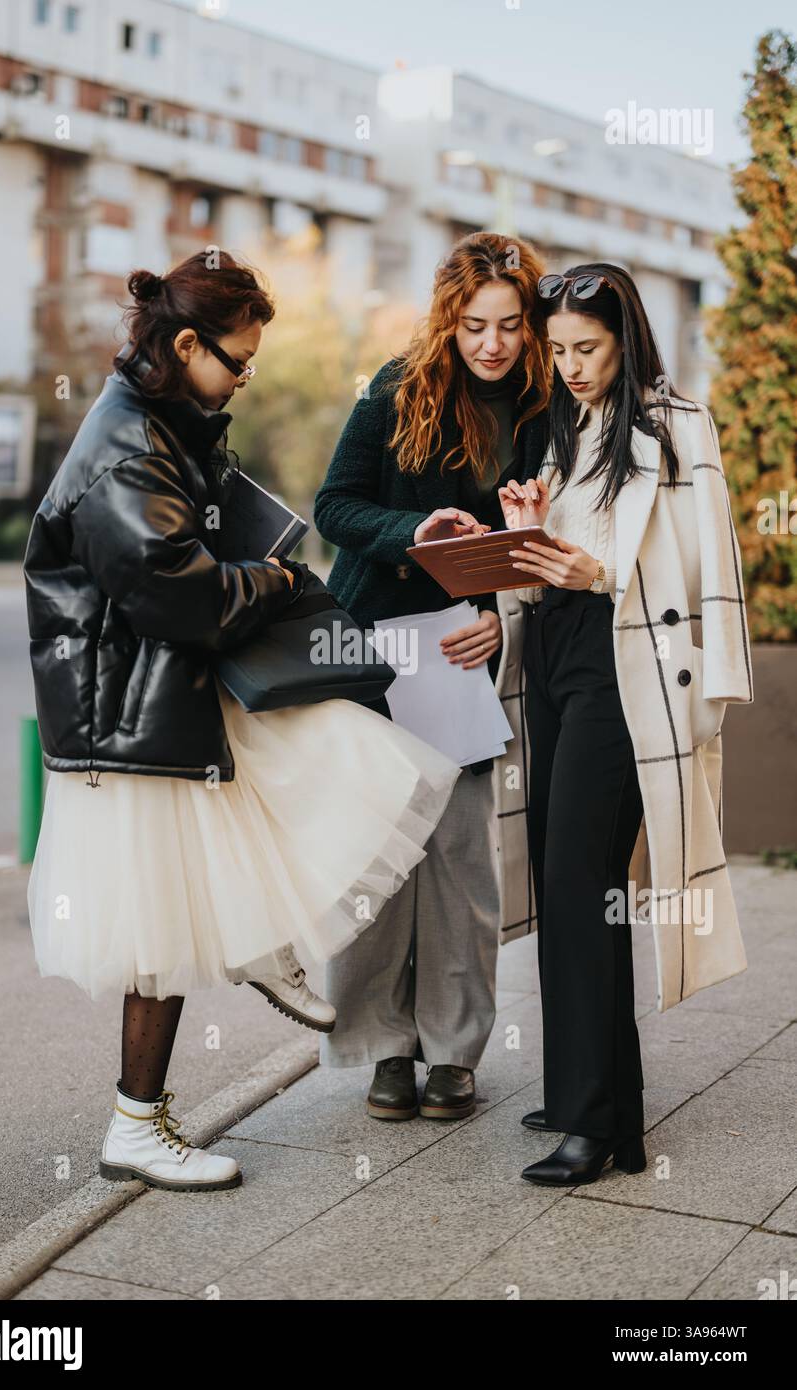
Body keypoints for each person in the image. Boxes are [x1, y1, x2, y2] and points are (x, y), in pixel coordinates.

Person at [23, 250, 460, 1193]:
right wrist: (276, 579)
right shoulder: (127, 448)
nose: (245, 378)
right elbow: (182, 599)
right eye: (239, 359)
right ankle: (141, 1122)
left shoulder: (158, 424)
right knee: (159, 928)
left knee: (312, 768)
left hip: (151, 701)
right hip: (126, 719)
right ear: (186, 344)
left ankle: (244, 978)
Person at [499, 263, 754, 1186]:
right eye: (557, 348)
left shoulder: (675, 423)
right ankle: (578, 1093)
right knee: (558, 876)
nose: (568, 365)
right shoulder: (561, 421)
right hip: (557, 656)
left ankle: (607, 1123)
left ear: (626, 338)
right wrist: (528, 531)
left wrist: (590, 572)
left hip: (628, 666)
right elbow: (562, 554)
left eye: (587, 348)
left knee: (585, 877)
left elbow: (700, 562)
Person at [313, 230, 550, 1121]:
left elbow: (539, 539)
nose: (493, 344)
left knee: (458, 862)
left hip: (465, 659)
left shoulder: (538, 412)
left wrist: (500, 611)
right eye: (476, 325)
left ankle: (453, 1052)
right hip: (377, 652)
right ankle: (383, 1046)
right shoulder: (394, 389)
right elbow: (334, 505)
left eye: (511, 325)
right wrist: (410, 533)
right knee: (381, 857)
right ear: (448, 320)